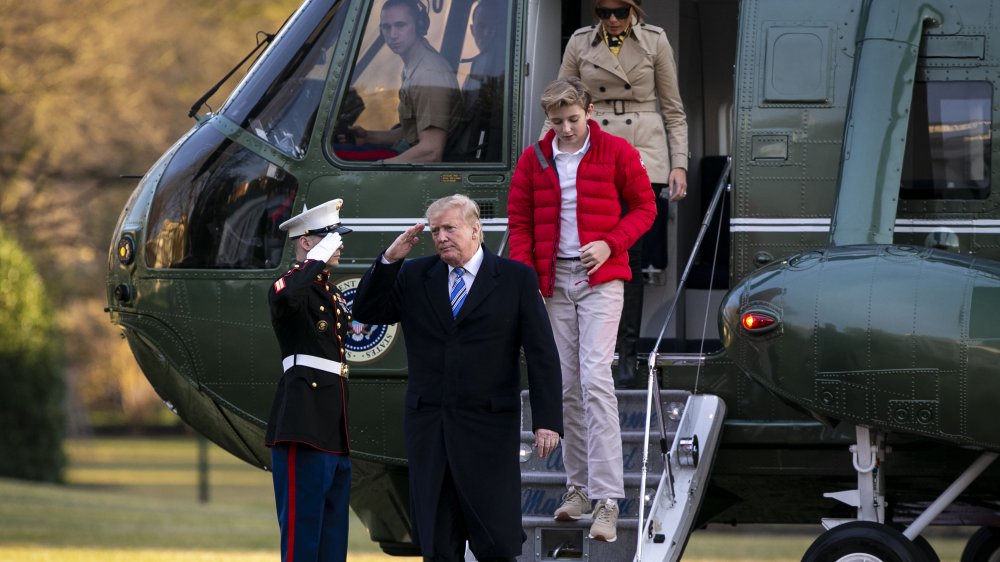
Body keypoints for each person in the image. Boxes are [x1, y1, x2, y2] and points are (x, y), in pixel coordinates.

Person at [351, 194, 563, 562]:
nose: (441, 237)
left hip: (488, 430)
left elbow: (543, 354)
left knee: (497, 541)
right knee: (437, 543)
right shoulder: (416, 275)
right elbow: (368, 309)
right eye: (435, 231)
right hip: (430, 430)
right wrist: (389, 260)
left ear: (476, 229)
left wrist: (547, 421)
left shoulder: (515, 279)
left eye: (450, 228)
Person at [508, 77, 655, 543]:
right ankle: (578, 489)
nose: (567, 129)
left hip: (601, 279)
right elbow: (521, 222)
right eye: (557, 122)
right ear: (547, 121)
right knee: (565, 384)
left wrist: (609, 244)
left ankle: (609, 499)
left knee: (595, 378)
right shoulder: (534, 159)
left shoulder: (617, 151)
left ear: (589, 110)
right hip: (553, 283)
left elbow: (645, 208)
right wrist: (527, 279)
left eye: (573, 119)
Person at [558, 0, 689, 388]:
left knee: (627, 254)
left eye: (619, 11)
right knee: (586, 249)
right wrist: (546, 157)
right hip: (593, 145)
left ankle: (627, 353)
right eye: (603, 12)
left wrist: (678, 162)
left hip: (643, 150)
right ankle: (596, 351)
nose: (612, 20)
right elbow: (559, 101)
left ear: (634, 10)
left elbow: (674, 109)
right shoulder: (581, 43)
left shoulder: (654, 41)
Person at [265, 198, 354, 562]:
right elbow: (286, 298)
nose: (340, 244)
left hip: (333, 424)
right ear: (306, 241)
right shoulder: (290, 286)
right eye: (331, 237)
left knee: (333, 539)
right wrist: (317, 257)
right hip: (302, 422)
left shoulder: (328, 291)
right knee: (302, 537)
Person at [349, 0, 462, 162]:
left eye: (400, 25)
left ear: (419, 26)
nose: (393, 35)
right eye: (386, 27)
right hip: (407, 151)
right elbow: (412, 132)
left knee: (340, 156)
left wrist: (377, 169)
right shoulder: (414, 65)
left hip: (416, 164)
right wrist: (368, 137)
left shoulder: (427, 75)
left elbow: (431, 151)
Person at [449, 0, 506, 161]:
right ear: (472, 30)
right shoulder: (478, 65)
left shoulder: (502, 68)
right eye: (482, 27)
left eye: (494, 27)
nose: (487, 33)